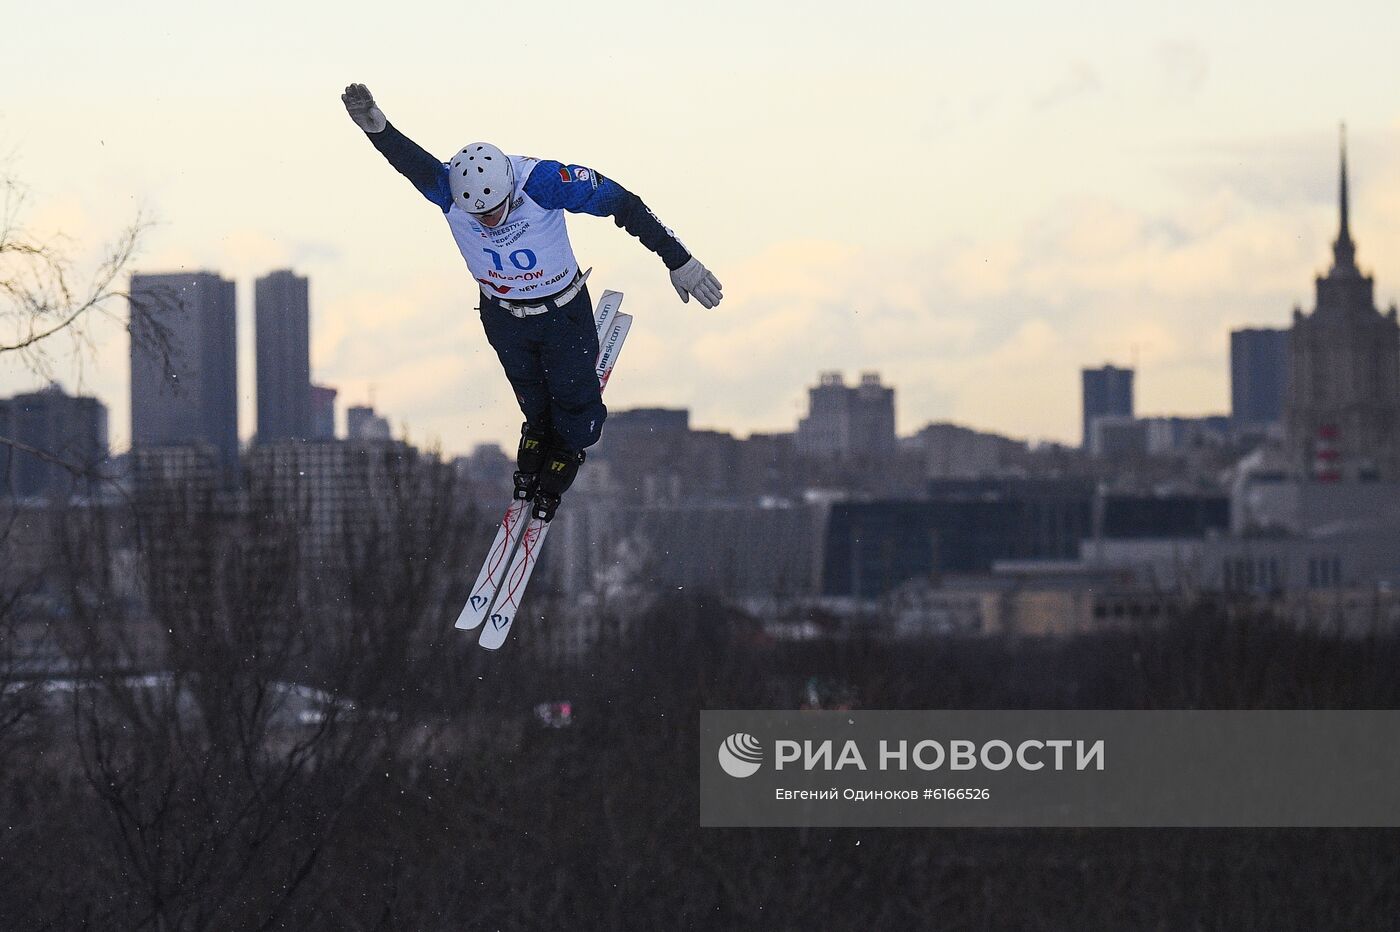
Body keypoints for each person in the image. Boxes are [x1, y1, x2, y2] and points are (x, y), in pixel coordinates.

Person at [341, 83, 722, 520]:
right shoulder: (448, 189)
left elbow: (624, 204)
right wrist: (377, 128)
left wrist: (680, 261)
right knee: (531, 395)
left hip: (561, 312)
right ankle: (539, 430)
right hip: (503, 315)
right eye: (477, 215)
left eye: (495, 211)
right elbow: (411, 163)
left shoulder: (542, 182)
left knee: (575, 404)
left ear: (508, 189)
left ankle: (569, 446)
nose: (487, 221)